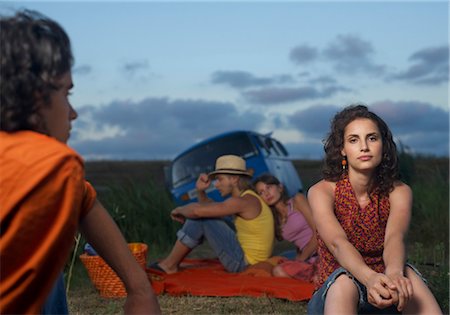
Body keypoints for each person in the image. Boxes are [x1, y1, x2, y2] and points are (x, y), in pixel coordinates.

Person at [0, 10, 161, 314]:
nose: (72, 113)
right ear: (35, 99)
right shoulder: (50, 166)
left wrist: (139, 290)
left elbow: (84, 201)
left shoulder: (39, 171)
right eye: (65, 93)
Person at [307, 105, 442, 314]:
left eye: (372, 138)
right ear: (342, 148)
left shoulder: (399, 191)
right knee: (344, 281)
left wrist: (395, 274)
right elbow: (337, 243)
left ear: (383, 145)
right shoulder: (321, 191)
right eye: (353, 140)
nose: (364, 147)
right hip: (338, 290)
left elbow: (395, 237)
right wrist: (369, 278)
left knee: (407, 276)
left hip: (386, 283)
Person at [151, 155, 275, 274]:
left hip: (244, 264)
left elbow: (197, 211)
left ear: (234, 179)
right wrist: (200, 191)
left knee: (201, 217)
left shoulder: (243, 201)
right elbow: (209, 207)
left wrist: (178, 210)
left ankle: (169, 265)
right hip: (247, 259)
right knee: (206, 215)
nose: (215, 184)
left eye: (220, 179)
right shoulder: (247, 198)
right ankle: (170, 264)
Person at [253, 174, 317, 281]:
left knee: (318, 277)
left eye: (268, 187)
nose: (267, 194)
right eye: (261, 192)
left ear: (280, 187)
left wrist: (301, 258)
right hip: (307, 257)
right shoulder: (275, 220)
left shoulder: (297, 200)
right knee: (278, 270)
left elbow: (319, 231)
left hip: (322, 248)